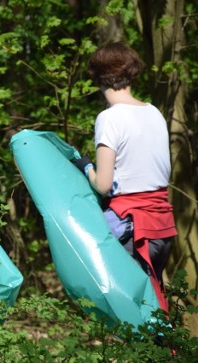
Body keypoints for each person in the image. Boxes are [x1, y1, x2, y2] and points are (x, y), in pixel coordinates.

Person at [73, 42, 177, 313]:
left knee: (131, 317)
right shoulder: (153, 112)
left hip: (132, 229)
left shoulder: (109, 119)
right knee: (151, 307)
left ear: (97, 78)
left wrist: (85, 167)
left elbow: (103, 185)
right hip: (162, 227)